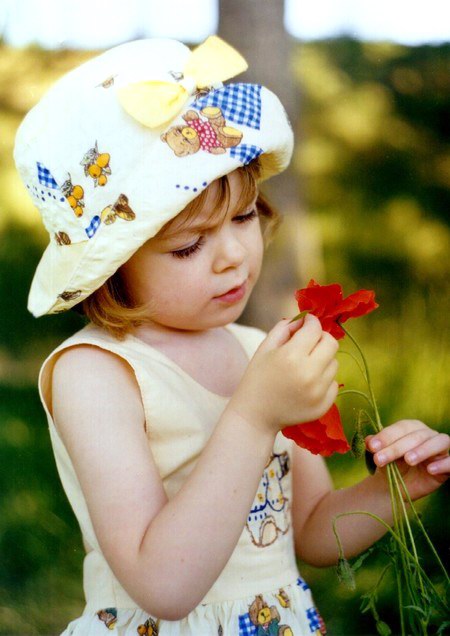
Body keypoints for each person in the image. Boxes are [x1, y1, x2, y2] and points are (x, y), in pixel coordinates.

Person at [14, 36, 449, 636]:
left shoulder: (255, 352)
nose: (232, 258)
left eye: (243, 217)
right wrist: (253, 415)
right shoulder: (97, 371)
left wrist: (395, 488)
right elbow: (163, 585)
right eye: (189, 245)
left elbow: (312, 532)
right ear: (110, 265)